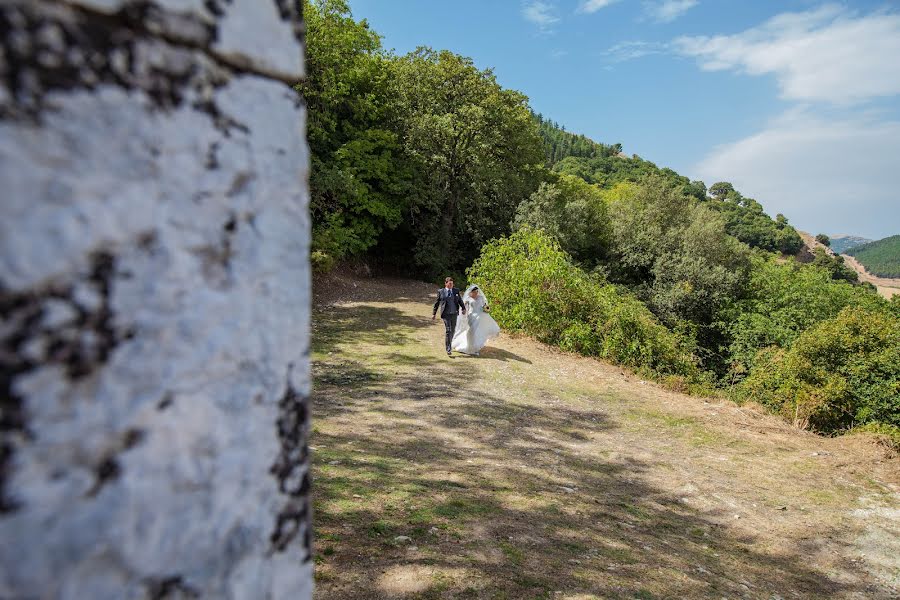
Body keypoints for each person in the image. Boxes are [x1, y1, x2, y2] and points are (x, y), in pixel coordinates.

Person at [451, 285, 500, 356]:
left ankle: (474, 348)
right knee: (471, 331)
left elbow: (484, 306)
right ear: (471, 292)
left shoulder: (481, 298)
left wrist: (486, 308)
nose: (476, 293)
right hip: (471, 316)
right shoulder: (468, 298)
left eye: (477, 292)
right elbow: (463, 306)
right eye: (474, 292)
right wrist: (463, 310)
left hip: (480, 316)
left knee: (477, 332)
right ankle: (468, 346)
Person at [432, 277, 466, 356]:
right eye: (450, 284)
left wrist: (463, 308)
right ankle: (448, 349)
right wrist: (434, 313)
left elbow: (460, 301)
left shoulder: (456, 291)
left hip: (454, 314)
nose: (451, 285)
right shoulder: (441, 292)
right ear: (446, 283)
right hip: (446, 314)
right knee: (449, 330)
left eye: (452, 283)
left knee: (453, 331)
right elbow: (437, 303)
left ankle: (450, 343)